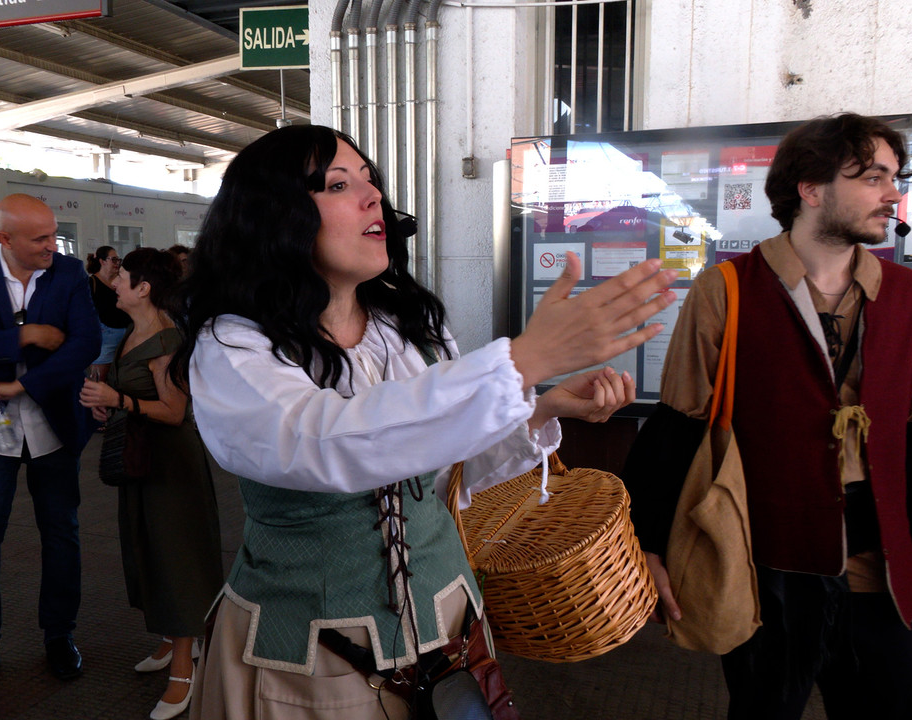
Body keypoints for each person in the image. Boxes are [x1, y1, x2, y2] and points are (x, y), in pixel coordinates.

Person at [173, 125, 677, 719]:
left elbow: (440, 474)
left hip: (449, 633)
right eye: (338, 185)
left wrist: (539, 403)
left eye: (372, 182)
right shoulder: (234, 345)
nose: (372, 199)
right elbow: (320, 440)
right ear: (272, 217)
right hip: (309, 660)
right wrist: (520, 365)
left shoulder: (409, 328)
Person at [625, 113, 912, 720]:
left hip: (879, 568)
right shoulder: (728, 290)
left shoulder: (910, 298)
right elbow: (680, 422)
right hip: (768, 565)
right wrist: (649, 546)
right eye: (873, 177)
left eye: (895, 178)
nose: (893, 194)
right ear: (810, 189)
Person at [0, 193, 101, 698]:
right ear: (3, 239)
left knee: (62, 535)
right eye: (40, 239)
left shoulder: (69, 273)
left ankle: (59, 635)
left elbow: (86, 343)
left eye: (54, 235)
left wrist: (24, 384)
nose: (52, 246)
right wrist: (26, 334)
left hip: (52, 425)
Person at [79, 248, 222, 720]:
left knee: (175, 557)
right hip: (144, 461)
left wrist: (117, 396)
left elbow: (175, 412)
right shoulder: (133, 332)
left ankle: (184, 670)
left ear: (144, 289)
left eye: (122, 277)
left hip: (170, 467)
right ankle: (170, 641)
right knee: (150, 551)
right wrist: (110, 402)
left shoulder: (167, 339)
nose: (114, 281)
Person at [86, 245, 129, 381]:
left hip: (125, 334)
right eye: (113, 259)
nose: (117, 263)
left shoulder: (120, 281)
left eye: (118, 260)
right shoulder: (91, 282)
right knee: (100, 380)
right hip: (106, 337)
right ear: (102, 261)